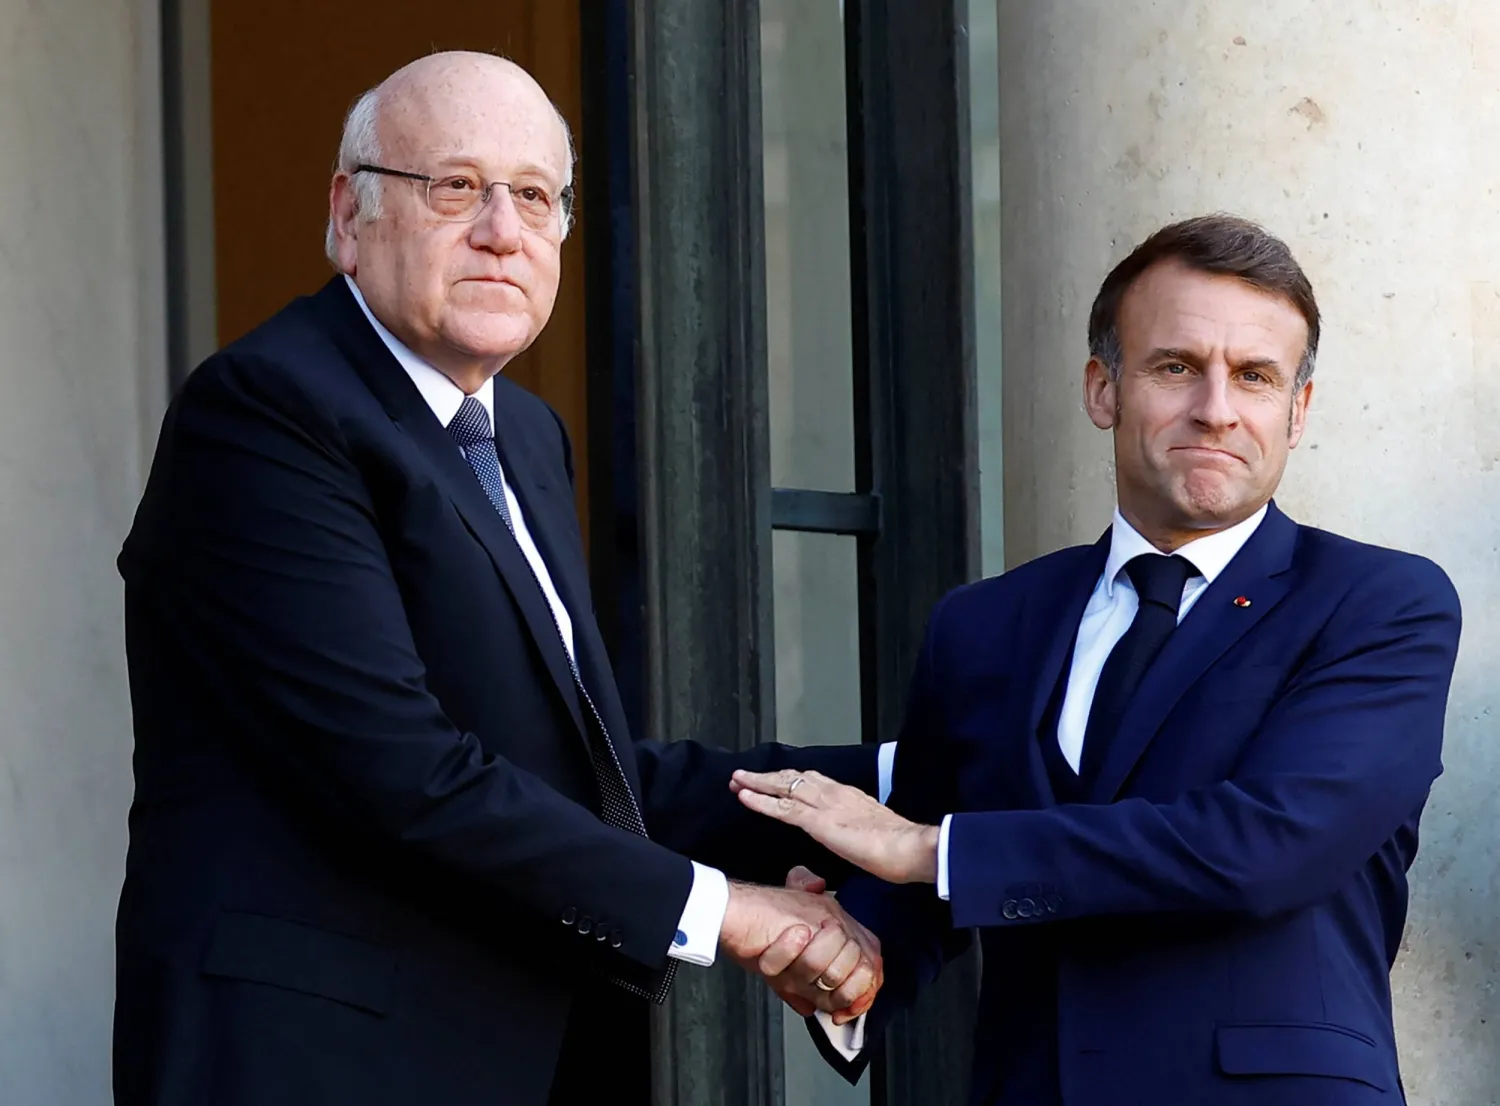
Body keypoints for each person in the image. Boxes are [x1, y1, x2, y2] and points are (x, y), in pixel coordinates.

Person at [113, 52, 887, 1106]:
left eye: (534, 195)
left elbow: (578, 780)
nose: (501, 230)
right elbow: (403, 770)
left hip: (511, 1051)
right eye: (455, 187)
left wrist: (884, 790)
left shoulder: (518, 431)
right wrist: (734, 913)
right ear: (350, 214)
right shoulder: (266, 412)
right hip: (314, 1059)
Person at [733, 214, 1463, 1105]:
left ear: (1297, 411)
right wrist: (845, 962)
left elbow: (1266, 846)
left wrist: (927, 850)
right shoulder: (984, 623)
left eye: (1257, 377)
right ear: (1102, 389)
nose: (1217, 408)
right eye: (1175, 366)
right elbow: (919, 888)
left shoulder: (1378, 604)